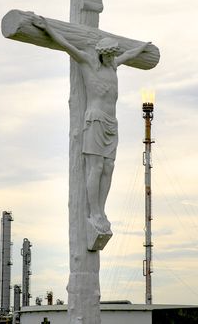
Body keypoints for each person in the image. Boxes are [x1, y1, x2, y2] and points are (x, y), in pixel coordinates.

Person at [32, 15, 150, 235]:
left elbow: (129, 54)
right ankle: (94, 212)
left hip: (111, 123)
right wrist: (47, 27)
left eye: (114, 54)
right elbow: (66, 45)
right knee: (95, 167)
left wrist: (142, 47)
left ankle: (102, 210)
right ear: (101, 53)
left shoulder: (113, 67)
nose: (113, 57)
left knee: (109, 168)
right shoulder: (88, 62)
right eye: (109, 54)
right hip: (94, 120)